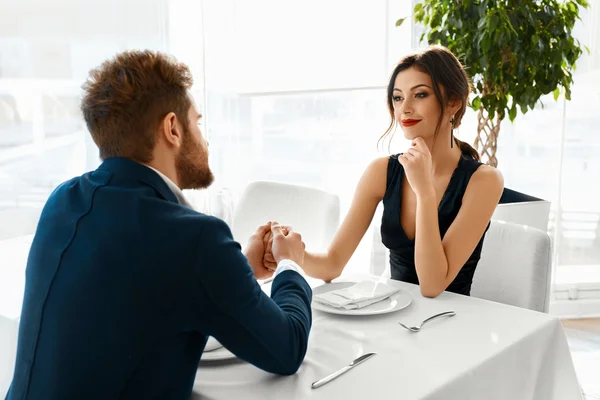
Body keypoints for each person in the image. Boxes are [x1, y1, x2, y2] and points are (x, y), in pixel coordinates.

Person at [5, 50, 311, 400]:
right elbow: (286, 349)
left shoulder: (62, 202)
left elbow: (140, 293)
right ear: (172, 128)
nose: (206, 140)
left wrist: (238, 267)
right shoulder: (195, 238)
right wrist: (290, 265)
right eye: (198, 123)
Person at [264, 45, 504, 297]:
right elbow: (332, 264)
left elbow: (432, 286)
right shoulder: (382, 171)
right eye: (398, 97)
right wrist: (289, 255)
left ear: (454, 102)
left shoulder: (484, 181)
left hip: (453, 320)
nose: (405, 108)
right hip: (394, 319)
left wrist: (424, 192)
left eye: (420, 95)